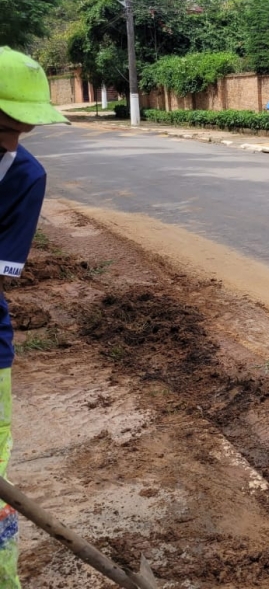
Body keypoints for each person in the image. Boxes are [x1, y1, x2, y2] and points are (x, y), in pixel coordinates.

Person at [0, 47, 70, 587]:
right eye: (1, 123)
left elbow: (1, 274)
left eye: (21, 126)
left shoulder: (25, 175)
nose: (11, 139)